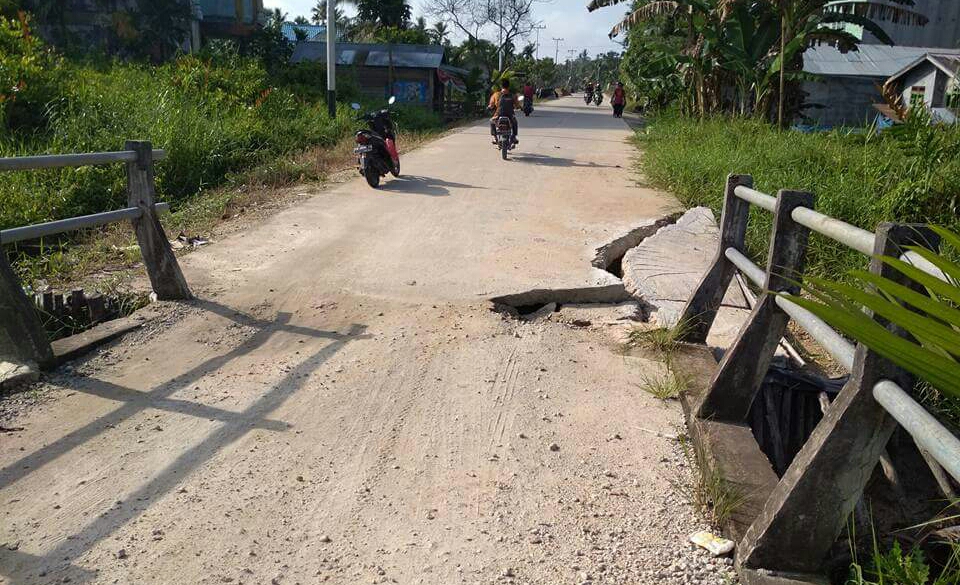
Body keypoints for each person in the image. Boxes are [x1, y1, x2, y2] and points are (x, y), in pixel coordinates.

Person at [488, 78, 518, 144]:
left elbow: (491, 105)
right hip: (510, 115)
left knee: (492, 121)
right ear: (508, 86)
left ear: (501, 86)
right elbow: (517, 105)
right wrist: (520, 107)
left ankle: (495, 138)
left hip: (498, 115)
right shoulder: (513, 95)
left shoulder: (496, 94)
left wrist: (489, 107)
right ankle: (514, 137)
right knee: (515, 122)